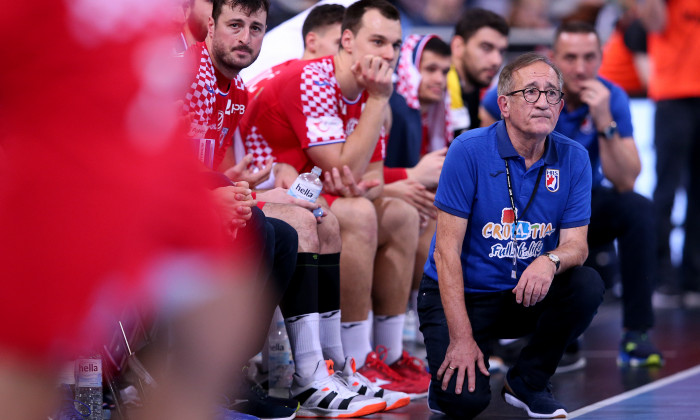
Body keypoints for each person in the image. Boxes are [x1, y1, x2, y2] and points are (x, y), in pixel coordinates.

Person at [182, 1, 394, 417]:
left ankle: (330, 366)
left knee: (313, 219)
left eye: (256, 28)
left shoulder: (236, 89)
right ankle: (282, 373)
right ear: (209, 25)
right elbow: (156, 157)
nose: (246, 38)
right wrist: (236, 195)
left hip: (209, 195)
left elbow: (366, 175)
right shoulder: (190, 74)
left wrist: (239, 186)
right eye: (235, 25)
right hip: (161, 205)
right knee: (291, 223)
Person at [239, 0, 429, 398]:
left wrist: (356, 176)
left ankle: (386, 356)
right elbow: (341, 165)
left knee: (401, 214)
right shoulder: (314, 77)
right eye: (377, 41)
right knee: (358, 213)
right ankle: (350, 361)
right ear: (347, 39)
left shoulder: (366, 88)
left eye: (395, 45)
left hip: (302, 187)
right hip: (263, 183)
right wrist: (378, 102)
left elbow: (369, 177)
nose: (387, 54)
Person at [418, 52, 605, 419]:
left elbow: (576, 246)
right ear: (503, 104)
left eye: (552, 93)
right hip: (464, 295)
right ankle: (445, 375)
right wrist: (460, 338)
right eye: (530, 92)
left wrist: (548, 261)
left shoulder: (574, 157)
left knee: (586, 283)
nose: (542, 101)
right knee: (464, 403)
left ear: (561, 105)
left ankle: (528, 382)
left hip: (523, 292)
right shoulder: (468, 151)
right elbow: (446, 253)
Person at [480, 21, 663, 368]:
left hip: (578, 205)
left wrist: (604, 119)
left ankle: (636, 332)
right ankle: (501, 333)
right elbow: (483, 133)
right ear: (553, 57)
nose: (580, 67)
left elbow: (625, 180)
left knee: (637, 208)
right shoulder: (521, 93)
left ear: (601, 58)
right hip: (520, 206)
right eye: (571, 57)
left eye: (589, 57)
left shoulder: (610, 97)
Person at [384, 34, 452, 339]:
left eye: (445, 71)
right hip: (384, 198)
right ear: (409, 69)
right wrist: (409, 176)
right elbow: (362, 171)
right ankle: (418, 321)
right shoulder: (397, 108)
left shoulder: (429, 114)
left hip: (400, 194)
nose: (439, 79)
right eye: (430, 69)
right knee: (432, 215)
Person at [639, 0, 700, 308]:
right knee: (665, 190)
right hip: (673, 97)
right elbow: (652, 22)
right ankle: (662, 277)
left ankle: (693, 278)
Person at [447, 8, 509, 137]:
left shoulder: (481, 90)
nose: (496, 61)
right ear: (458, 46)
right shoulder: (438, 91)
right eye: (486, 48)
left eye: (501, 51)